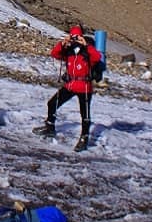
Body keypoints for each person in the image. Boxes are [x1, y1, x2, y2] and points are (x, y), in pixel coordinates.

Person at [33, 24, 103, 152]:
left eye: (77, 36)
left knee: (85, 115)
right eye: (73, 36)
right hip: (70, 85)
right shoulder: (69, 51)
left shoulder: (87, 51)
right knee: (52, 103)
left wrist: (86, 45)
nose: (75, 39)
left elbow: (97, 58)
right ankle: (50, 127)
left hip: (84, 87)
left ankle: (84, 138)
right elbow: (55, 54)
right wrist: (62, 43)